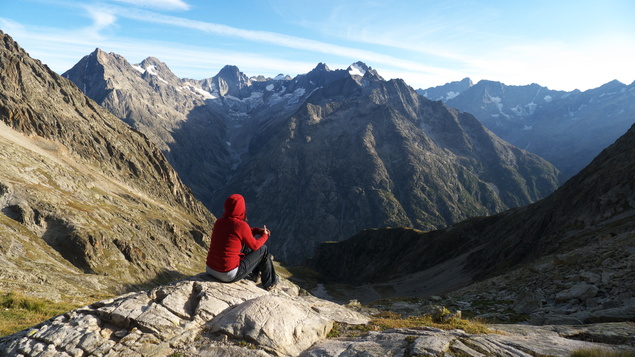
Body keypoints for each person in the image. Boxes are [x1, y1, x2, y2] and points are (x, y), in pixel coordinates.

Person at [205, 193, 278, 290]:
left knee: (245, 247)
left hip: (210, 269)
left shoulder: (219, 222)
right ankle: (270, 283)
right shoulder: (241, 225)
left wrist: (256, 231)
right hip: (227, 274)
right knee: (263, 250)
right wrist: (264, 235)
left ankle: (255, 275)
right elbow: (255, 246)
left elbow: (238, 235)